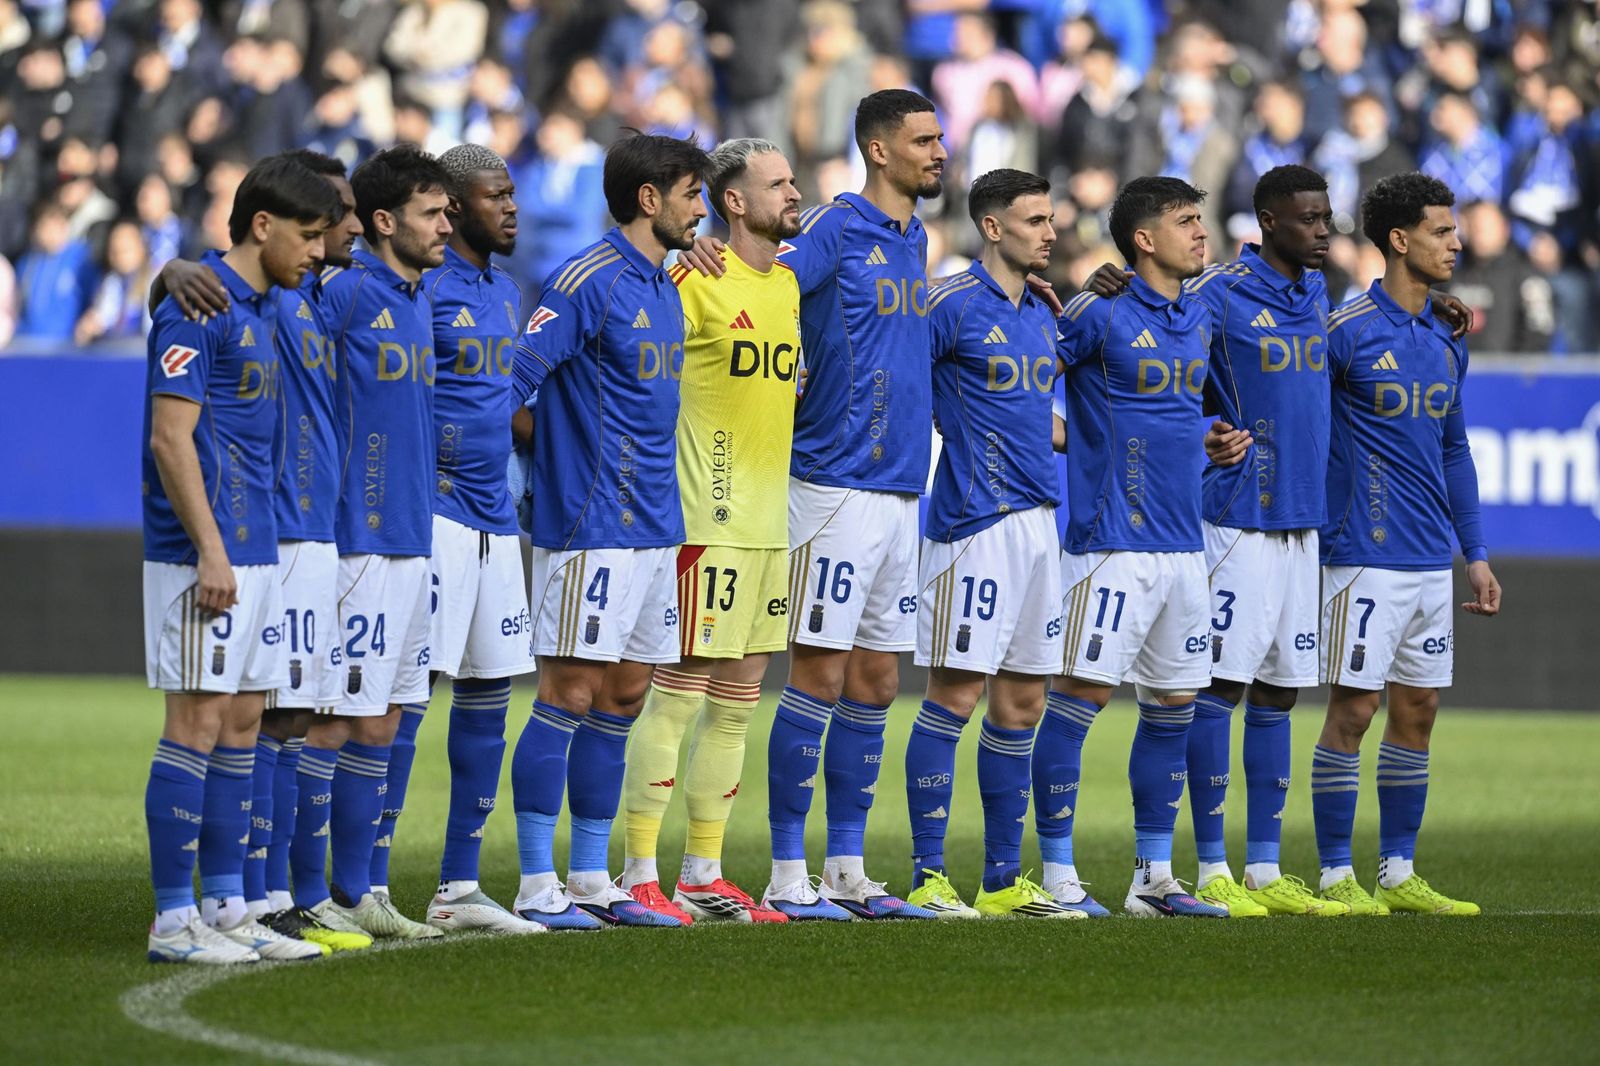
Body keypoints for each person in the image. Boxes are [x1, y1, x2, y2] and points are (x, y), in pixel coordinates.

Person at [147, 148, 377, 953]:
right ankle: (174, 915)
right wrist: (210, 548)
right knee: (197, 722)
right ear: (265, 225)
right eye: (311, 233)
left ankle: (226, 909)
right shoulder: (201, 304)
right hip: (206, 548)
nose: (323, 248)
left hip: (257, 547)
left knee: (244, 719)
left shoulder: (266, 304)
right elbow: (169, 438)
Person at [507, 131, 710, 930]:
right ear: (650, 199)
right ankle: (533, 883)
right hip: (592, 521)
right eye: (694, 193)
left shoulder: (664, 283)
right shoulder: (584, 279)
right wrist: (538, 477)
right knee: (569, 693)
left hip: (658, 524)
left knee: (625, 694)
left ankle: (592, 880)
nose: (703, 207)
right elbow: (515, 383)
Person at [616, 138, 803, 925]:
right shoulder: (691, 279)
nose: (796, 193)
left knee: (738, 702)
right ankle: (635, 871)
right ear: (733, 200)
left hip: (769, 525)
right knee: (679, 694)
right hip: (706, 518)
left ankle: (703, 869)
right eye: (779, 183)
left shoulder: (791, 282)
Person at [1312, 172, 1500, 916]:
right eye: (1442, 231)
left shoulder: (1447, 340)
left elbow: (1454, 450)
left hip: (1429, 562)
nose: (1457, 243)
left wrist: (1475, 553)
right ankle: (1333, 875)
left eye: (1454, 231)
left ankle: (1397, 872)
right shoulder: (1346, 330)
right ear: (1400, 239)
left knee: (1417, 708)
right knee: (1353, 711)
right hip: (1362, 553)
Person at [900, 169, 1082, 921]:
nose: (1051, 232)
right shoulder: (946, 303)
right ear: (994, 227)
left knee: (1024, 699)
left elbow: (1042, 417)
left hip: (1042, 521)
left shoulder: (1044, 313)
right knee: (955, 695)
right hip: (972, 523)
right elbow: (893, 373)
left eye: (1051, 220)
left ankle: (1004, 881)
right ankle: (928, 875)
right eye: (1036, 220)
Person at [1050, 176, 1227, 919]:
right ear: (1144, 239)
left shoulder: (1199, 315)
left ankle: (1153, 878)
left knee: (1175, 706)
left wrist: (1213, 439)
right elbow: (1019, 378)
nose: (1201, 232)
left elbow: (1191, 412)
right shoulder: (1099, 310)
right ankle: (1055, 874)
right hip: (1111, 542)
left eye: (1201, 219)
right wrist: (1066, 439)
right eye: (1186, 222)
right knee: (1081, 699)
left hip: (1184, 544)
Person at [292, 144, 452, 940]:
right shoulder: (347, 294)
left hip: (413, 537)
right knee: (331, 718)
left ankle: (359, 892)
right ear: (384, 220)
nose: (447, 225)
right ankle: (300, 895)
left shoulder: (419, 297)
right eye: (433, 212)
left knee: (385, 716)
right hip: (357, 536)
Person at [406, 144, 542, 934]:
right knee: (407, 697)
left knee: (490, 694)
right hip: (438, 515)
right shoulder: (423, 290)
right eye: (497, 196)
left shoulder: (504, 290)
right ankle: (365, 885)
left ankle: (458, 887)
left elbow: (504, 403)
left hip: (497, 519)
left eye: (514, 193)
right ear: (456, 208)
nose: (512, 208)